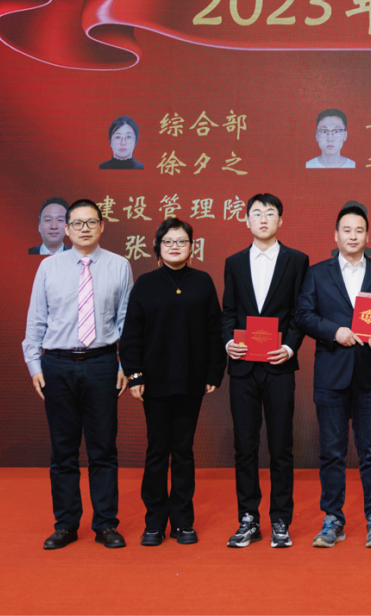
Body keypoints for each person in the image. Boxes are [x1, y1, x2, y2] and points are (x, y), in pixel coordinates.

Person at [22, 198, 133, 550]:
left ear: (102, 226)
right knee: (63, 450)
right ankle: (66, 524)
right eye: (77, 223)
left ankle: (106, 525)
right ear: (67, 230)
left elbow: (126, 322)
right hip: (57, 364)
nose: (85, 228)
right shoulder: (49, 267)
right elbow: (36, 319)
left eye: (91, 222)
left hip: (102, 363)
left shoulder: (120, 265)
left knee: (104, 449)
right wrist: (34, 365)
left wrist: (124, 365)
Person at [119, 218, 226, 547]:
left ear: (192, 247)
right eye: (168, 242)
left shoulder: (202, 282)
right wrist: (135, 374)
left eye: (182, 241)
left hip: (192, 380)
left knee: (183, 451)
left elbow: (215, 330)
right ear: (157, 247)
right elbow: (132, 333)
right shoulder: (146, 284)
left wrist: (214, 372)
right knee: (157, 450)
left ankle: (182, 521)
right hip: (154, 382)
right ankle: (154, 522)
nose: (175, 246)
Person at [296, 205, 371, 548]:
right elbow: (303, 315)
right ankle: (333, 519)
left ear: (368, 236)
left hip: (370, 374)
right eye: (347, 230)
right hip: (331, 373)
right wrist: (334, 331)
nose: (353, 236)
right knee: (331, 453)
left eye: (359, 230)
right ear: (336, 235)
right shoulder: (317, 273)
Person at [220, 193, 310, 549]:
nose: (262, 219)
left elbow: (301, 312)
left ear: (280, 221)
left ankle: (281, 519)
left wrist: (289, 347)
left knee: (280, 446)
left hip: (279, 366)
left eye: (269, 213)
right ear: (246, 220)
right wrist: (229, 341)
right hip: (243, 366)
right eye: (256, 213)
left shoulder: (296, 260)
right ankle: (248, 518)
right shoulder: (234, 262)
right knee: (245, 446)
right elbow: (228, 312)